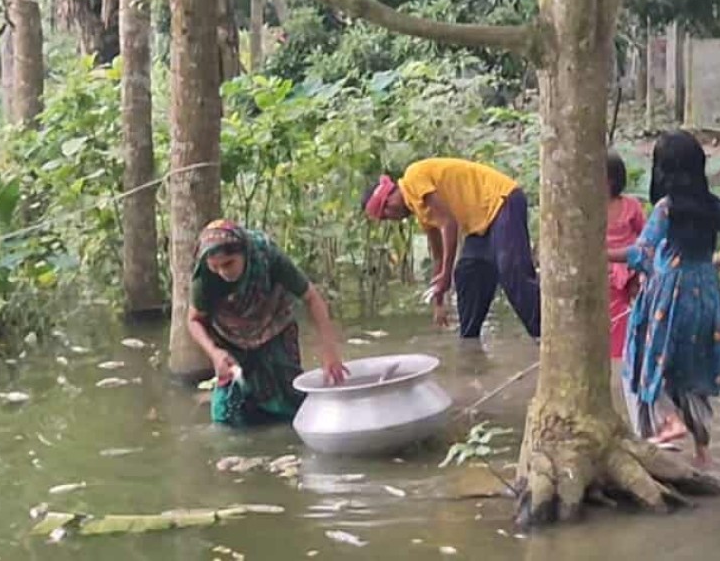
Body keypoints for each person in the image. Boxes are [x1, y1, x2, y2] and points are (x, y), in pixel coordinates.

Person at [608, 130, 720, 466]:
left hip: (668, 298)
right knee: (694, 367)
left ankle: (669, 421)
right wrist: (718, 260)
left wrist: (603, 253)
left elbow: (642, 253)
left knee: (649, 362)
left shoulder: (666, 209)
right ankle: (702, 451)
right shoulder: (715, 207)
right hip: (707, 298)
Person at [188, 219, 348, 427]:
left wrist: (329, 351)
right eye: (215, 266)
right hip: (229, 336)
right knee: (227, 415)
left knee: (292, 399)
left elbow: (312, 298)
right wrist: (214, 353)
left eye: (229, 263)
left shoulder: (267, 256)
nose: (223, 272)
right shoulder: (204, 277)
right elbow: (194, 320)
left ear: (244, 252)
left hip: (274, 324)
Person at [363, 158, 540, 341]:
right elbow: (438, 258)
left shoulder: (413, 176)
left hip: (502, 200)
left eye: (386, 213)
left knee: (512, 272)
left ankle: (546, 333)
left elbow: (449, 224)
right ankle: (470, 344)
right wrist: (438, 300)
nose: (391, 218)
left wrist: (446, 276)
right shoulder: (422, 211)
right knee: (468, 273)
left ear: (390, 198)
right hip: (481, 222)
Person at [606, 151, 646, 363]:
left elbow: (646, 236)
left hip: (628, 271)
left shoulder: (631, 206)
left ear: (611, 181)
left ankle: (624, 357)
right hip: (601, 271)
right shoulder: (587, 208)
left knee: (624, 319)